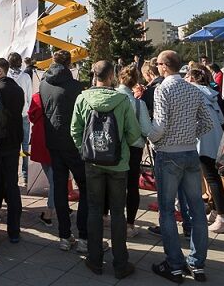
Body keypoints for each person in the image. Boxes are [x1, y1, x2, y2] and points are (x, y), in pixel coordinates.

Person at [71, 60, 142, 279]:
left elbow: (75, 131)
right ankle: (121, 263)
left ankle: (94, 260)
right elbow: (133, 133)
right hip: (118, 163)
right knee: (118, 212)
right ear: (112, 76)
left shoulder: (83, 98)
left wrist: (87, 149)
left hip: (93, 163)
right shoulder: (122, 100)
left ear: (94, 75)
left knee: (94, 209)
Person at [147, 50, 213, 283]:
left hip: (168, 154)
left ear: (164, 66)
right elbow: (207, 122)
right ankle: (197, 263)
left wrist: (148, 132)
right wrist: (188, 135)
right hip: (189, 153)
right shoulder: (192, 89)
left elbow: (161, 126)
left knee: (166, 210)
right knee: (196, 209)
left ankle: (174, 264)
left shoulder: (163, 89)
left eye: (157, 64)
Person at [39, 49, 88, 252]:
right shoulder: (77, 87)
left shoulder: (43, 84)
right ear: (69, 64)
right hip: (74, 144)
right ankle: (83, 236)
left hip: (53, 142)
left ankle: (64, 236)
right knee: (85, 187)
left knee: (59, 188)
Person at [183, 65, 224, 234]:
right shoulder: (209, 93)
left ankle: (223, 218)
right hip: (215, 138)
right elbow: (220, 117)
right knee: (213, 177)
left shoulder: (192, 93)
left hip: (203, 141)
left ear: (190, 79)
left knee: (211, 177)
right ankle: (218, 211)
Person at [0, 57, 24, 244]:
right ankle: (14, 230)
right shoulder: (18, 89)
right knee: (12, 185)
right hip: (13, 143)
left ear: (1, 70)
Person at [114, 63, 151, 238]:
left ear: (119, 78)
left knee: (112, 183)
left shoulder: (110, 98)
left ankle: (108, 217)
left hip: (113, 146)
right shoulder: (138, 104)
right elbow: (146, 129)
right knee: (131, 187)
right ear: (135, 82)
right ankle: (129, 224)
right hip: (134, 147)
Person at [27, 91, 55, 226]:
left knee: (53, 179)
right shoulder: (63, 93)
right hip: (58, 139)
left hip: (41, 139)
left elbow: (31, 116)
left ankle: (50, 211)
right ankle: (58, 207)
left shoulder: (37, 96)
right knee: (56, 178)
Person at [6, 52, 33, 185]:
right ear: (20, 62)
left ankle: (12, 174)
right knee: (25, 147)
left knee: (12, 146)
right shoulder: (26, 76)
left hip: (10, 116)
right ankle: (26, 175)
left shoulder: (6, 76)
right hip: (24, 114)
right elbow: (29, 96)